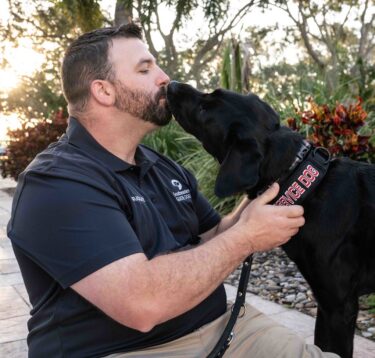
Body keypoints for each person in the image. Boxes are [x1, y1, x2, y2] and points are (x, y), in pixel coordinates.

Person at [8, 23, 339, 358]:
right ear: (103, 91)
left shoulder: (160, 166)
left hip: (223, 327)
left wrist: (276, 178)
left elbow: (216, 235)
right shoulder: (58, 183)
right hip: (128, 351)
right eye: (145, 68)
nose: (164, 77)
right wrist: (247, 238)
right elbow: (142, 304)